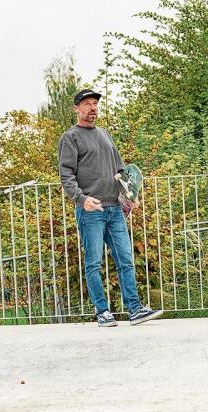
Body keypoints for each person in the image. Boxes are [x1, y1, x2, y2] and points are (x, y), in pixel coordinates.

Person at [58, 89, 162, 327]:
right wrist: (81, 199)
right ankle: (102, 312)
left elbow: (121, 169)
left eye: (95, 103)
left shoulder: (105, 134)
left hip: (115, 209)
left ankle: (135, 309)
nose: (92, 108)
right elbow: (66, 174)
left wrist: (130, 194)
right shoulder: (71, 137)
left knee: (126, 259)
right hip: (91, 211)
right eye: (86, 104)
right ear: (76, 108)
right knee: (93, 263)